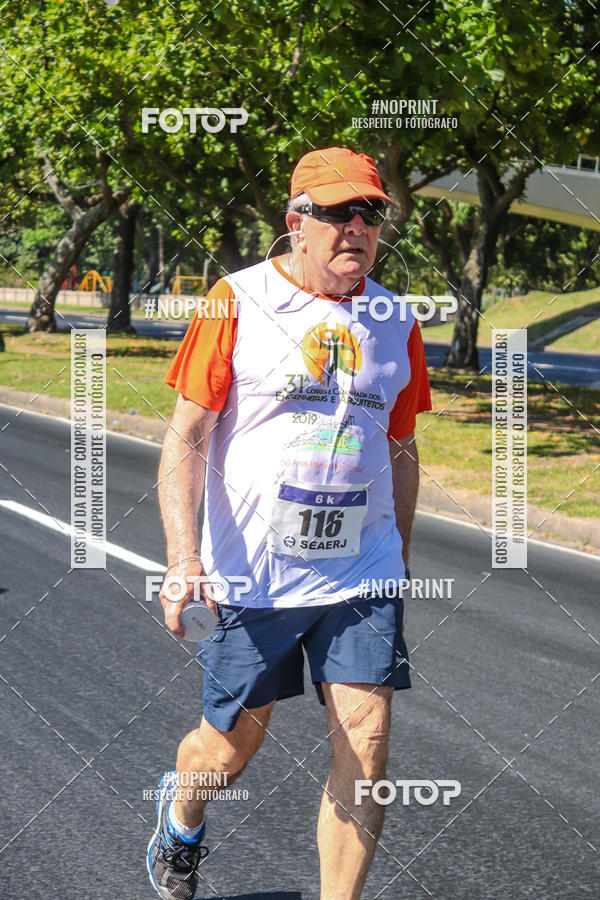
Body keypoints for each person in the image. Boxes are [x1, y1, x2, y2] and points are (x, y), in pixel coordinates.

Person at [147, 146, 432, 900]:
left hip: (360, 571)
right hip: (255, 571)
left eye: (370, 213)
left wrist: (398, 553)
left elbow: (402, 446)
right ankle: (182, 821)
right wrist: (183, 556)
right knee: (231, 747)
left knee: (366, 745)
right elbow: (186, 435)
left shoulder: (396, 321)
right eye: (337, 212)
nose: (357, 228)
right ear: (295, 223)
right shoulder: (234, 300)